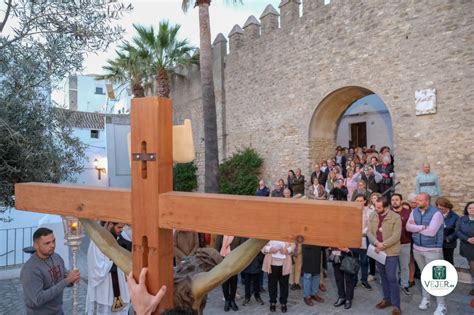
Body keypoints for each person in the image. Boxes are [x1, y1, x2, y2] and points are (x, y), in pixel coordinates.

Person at [20, 227, 80, 315]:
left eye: (53, 241)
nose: (52, 245)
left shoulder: (56, 257)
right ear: (36, 245)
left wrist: (72, 279)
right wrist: (67, 280)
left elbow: (63, 277)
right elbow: (38, 299)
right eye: (47, 243)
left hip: (58, 311)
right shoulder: (30, 270)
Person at [406, 192, 446, 315]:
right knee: (424, 275)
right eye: (416, 200)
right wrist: (423, 227)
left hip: (433, 250)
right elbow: (408, 227)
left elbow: (432, 232)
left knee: (436, 277)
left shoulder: (437, 214)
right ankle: (426, 298)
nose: (416, 202)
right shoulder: (414, 211)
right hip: (417, 248)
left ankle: (441, 305)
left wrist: (416, 227)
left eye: (419, 200)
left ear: (427, 201)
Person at [367, 196, 402, 315]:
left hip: (391, 252)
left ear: (386, 207)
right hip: (378, 251)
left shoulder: (396, 217)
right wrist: (376, 243)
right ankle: (387, 299)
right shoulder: (373, 215)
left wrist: (383, 245)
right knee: (383, 276)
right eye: (376, 206)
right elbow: (369, 232)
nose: (376, 209)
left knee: (392, 277)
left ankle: (397, 305)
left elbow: (396, 236)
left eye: (379, 207)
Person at [86, 222, 130, 315]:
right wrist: (114, 259)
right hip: (106, 286)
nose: (121, 230)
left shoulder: (122, 237)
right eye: (119, 227)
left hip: (121, 284)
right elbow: (95, 267)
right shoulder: (97, 240)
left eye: (122, 227)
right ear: (110, 225)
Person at [262, 240, 294, 313]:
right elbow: (262, 246)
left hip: (284, 264)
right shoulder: (269, 232)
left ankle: (283, 303)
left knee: (284, 285)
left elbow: (293, 245)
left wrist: (287, 250)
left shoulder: (288, 232)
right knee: (272, 284)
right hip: (272, 263)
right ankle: (272, 302)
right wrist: (269, 249)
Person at [215, 235, 245, 312]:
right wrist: (218, 262)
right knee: (224, 282)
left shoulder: (238, 234)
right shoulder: (220, 234)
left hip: (234, 260)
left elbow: (241, 248)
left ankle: (232, 300)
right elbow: (217, 248)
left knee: (233, 281)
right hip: (223, 259)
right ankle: (227, 301)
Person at [390, 193, 412, 296]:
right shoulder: (388, 213)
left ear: (401, 201)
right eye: (393, 200)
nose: (394, 201)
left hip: (405, 243)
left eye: (396, 200)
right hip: (391, 244)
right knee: (393, 267)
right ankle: (393, 286)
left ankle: (404, 285)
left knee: (404, 266)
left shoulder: (408, 212)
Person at [456, 201, 474, 303]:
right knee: (472, 267)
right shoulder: (462, 219)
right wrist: (467, 239)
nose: (472, 209)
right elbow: (457, 231)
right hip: (468, 248)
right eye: (470, 208)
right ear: (467, 210)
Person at [355, 194, 373, 290]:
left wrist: (361, 232)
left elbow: (370, 225)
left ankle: (364, 280)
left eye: (360, 200)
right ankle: (354, 280)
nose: (359, 202)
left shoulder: (370, 212)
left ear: (364, 201)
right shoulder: (352, 211)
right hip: (354, 238)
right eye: (357, 200)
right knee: (354, 260)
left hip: (364, 237)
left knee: (364, 260)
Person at [436, 197, 459, 265]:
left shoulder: (455, 217)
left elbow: (458, 231)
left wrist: (448, 239)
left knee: (448, 260)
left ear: (447, 207)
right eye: (438, 208)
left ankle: (450, 274)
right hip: (436, 242)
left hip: (448, 243)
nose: (439, 210)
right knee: (437, 260)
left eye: (441, 208)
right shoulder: (436, 214)